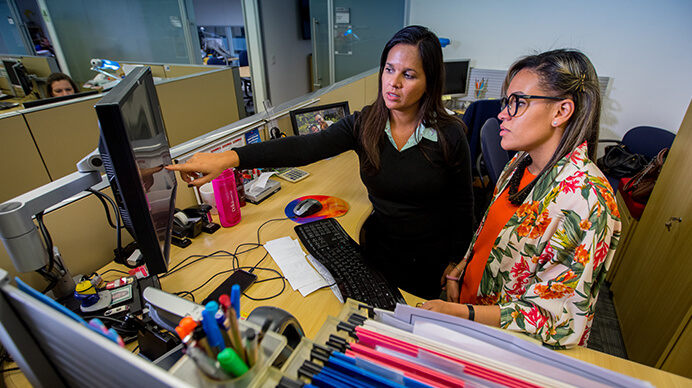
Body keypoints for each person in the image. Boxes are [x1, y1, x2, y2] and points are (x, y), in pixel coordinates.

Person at [167, 25, 475, 299]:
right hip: (382, 252)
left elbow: (464, 206)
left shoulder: (449, 135)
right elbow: (306, 147)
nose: (393, 83)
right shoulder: (365, 124)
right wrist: (228, 159)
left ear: (429, 81)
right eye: (389, 69)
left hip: (429, 258)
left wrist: (453, 266)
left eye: (408, 75)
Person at [421, 49, 621, 348]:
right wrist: (460, 269)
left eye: (518, 103)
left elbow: (556, 319)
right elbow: (489, 232)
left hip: (506, 339)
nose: (502, 113)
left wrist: (464, 313)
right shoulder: (521, 163)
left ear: (561, 111)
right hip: (473, 306)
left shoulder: (585, 201)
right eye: (506, 102)